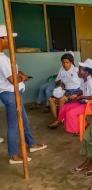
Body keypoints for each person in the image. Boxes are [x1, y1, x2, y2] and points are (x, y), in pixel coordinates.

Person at [0, 24, 47, 164]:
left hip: (14, 94)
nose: (11, 41)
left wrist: (19, 74)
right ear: (1, 39)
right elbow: (11, 80)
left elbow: (11, 74)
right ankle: (14, 155)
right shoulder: (1, 59)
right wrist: (22, 78)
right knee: (14, 125)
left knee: (24, 121)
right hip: (10, 95)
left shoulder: (3, 56)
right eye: (9, 38)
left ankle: (31, 144)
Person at [48, 59, 92, 133]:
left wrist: (82, 97)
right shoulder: (83, 80)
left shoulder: (91, 82)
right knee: (65, 107)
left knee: (71, 113)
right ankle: (61, 121)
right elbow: (82, 91)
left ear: (86, 72)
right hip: (85, 102)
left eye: (80, 70)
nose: (78, 72)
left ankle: (78, 130)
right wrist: (75, 95)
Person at [48, 53, 81, 120]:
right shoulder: (62, 71)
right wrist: (61, 83)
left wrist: (78, 94)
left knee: (62, 100)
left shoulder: (76, 70)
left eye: (67, 62)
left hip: (75, 91)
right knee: (51, 100)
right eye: (63, 62)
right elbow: (58, 82)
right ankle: (56, 119)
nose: (65, 64)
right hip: (66, 91)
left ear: (71, 62)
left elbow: (82, 83)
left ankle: (60, 119)